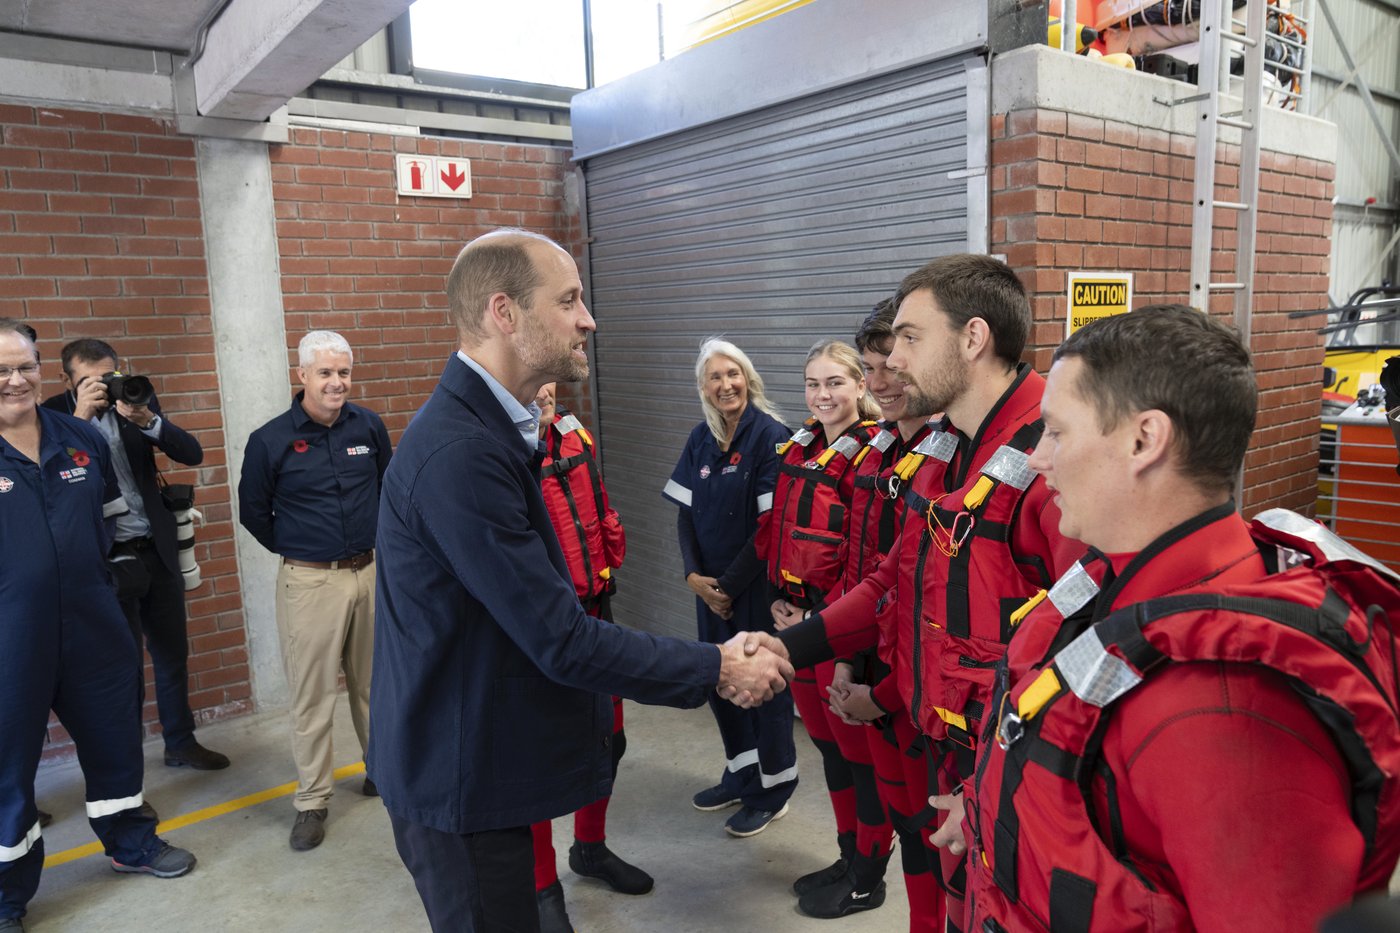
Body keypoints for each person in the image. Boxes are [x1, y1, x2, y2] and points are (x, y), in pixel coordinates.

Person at [366, 228, 794, 933]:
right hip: (461, 784)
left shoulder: (489, 432)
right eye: (569, 300)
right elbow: (560, 639)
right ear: (504, 313)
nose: (587, 318)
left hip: (477, 761)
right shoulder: (462, 454)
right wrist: (715, 664)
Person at [956, 305, 1400, 932]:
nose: (1037, 460)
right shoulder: (1113, 582)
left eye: (1056, 433)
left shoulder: (1225, 708)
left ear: (1144, 439)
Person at [753, 254, 1082, 924]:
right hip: (951, 750)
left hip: (1011, 773)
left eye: (909, 338)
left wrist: (995, 784)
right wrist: (789, 645)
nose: (892, 363)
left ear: (972, 339)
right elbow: (892, 580)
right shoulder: (942, 449)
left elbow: (1086, 646)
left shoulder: (1054, 453)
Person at [0, 319, 196, 933]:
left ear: (41, 367)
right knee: (6, 766)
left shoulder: (76, 437)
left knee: (114, 739)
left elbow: (109, 516)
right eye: (1, 369)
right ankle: (6, 895)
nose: (15, 379)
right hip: (11, 638)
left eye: (25, 365)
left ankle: (130, 843)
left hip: (93, 622)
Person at [237, 331, 391, 852]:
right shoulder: (271, 440)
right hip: (310, 582)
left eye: (344, 372)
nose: (337, 382)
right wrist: (303, 548)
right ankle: (312, 801)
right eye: (325, 372)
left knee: (376, 685)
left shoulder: (368, 426)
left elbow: (387, 488)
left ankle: (383, 773)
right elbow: (253, 513)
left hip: (369, 574)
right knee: (313, 696)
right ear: (301, 375)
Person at [42, 339, 227, 773]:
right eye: (88, 380)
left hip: (154, 550)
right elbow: (48, 480)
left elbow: (191, 452)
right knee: (122, 669)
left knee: (171, 654)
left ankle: (180, 742)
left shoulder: (133, 398)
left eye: (108, 375)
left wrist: (149, 421)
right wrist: (80, 418)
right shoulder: (51, 416)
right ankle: (126, 768)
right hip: (105, 560)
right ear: (67, 380)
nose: (103, 386)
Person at [821, 301, 946, 929]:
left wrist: (889, 695)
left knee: (933, 838)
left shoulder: (949, 462)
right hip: (868, 671)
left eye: (892, 366)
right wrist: (843, 660)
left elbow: (933, 605)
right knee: (902, 818)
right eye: (870, 368)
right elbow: (861, 572)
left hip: (913, 694)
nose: (881, 382)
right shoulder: (872, 453)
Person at [758, 339, 893, 908]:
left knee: (861, 759)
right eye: (813, 384)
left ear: (861, 386)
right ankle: (846, 854)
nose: (823, 395)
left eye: (836, 382)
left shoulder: (875, 455)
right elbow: (779, 534)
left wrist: (818, 619)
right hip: (798, 624)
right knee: (828, 748)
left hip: (839, 633)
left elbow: (868, 558)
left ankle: (868, 875)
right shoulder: (799, 447)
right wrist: (777, 602)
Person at [662, 338, 798, 839]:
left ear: (749, 378)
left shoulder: (771, 436)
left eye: (733, 374)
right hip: (711, 589)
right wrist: (693, 577)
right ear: (704, 387)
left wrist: (729, 587)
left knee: (764, 686)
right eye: (715, 377)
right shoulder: (701, 438)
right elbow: (684, 514)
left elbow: (771, 528)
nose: (726, 385)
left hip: (754, 588)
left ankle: (775, 788)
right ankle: (743, 775)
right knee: (723, 683)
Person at [529, 382, 652, 933]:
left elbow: (598, 508)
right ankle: (539, 889)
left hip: (594, 611)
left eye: (549, 380)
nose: (544, 391)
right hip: (536, 631)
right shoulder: (497, 451)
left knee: (609, 739)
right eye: (533, 380)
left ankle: (590, 848)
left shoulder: (575, 436)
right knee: (534, 762)